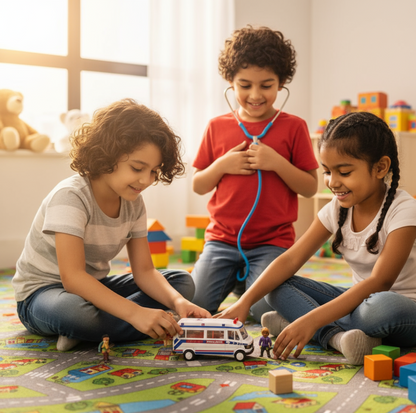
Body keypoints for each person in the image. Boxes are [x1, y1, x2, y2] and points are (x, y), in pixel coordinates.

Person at [216, 111, 416, 365]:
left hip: (400, 308)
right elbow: (290, 260)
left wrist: (310, 318)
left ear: (380, 168)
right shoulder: (337, 207)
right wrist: (244, 303)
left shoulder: (404, 209)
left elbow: (380, 281)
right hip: (358, 302)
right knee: (275, 288)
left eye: (344, 172)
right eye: (327, 171)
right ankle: (337, 338)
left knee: (381, 308)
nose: (332, 182)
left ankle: (305, 323)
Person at [13, 99, 210, 352]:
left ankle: (91, 332)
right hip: (42, 295)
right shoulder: (70, 197)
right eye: (138, 168)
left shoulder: (134, 203)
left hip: (93, 287)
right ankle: (89, 326)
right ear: (105, 154)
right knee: (74, 313)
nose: (146, 180)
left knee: (182, 282)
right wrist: (135, 313)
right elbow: (72, 278)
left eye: (154, 171)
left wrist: (178, 301)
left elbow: (145, 272)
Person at [191, 25, 319, 321]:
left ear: (281, 82)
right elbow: (198, 185)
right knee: (194, 304)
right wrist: (222, 165)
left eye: (266, 85)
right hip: (221, 240)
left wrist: (277, 162)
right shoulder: (217, 126)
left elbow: (311, 187)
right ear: (230, 82)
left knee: (264, 309)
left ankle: (244, 285)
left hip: (272, 243)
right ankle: (239, 280)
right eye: (245, 85)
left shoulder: (294, 126)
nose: (255, 94)